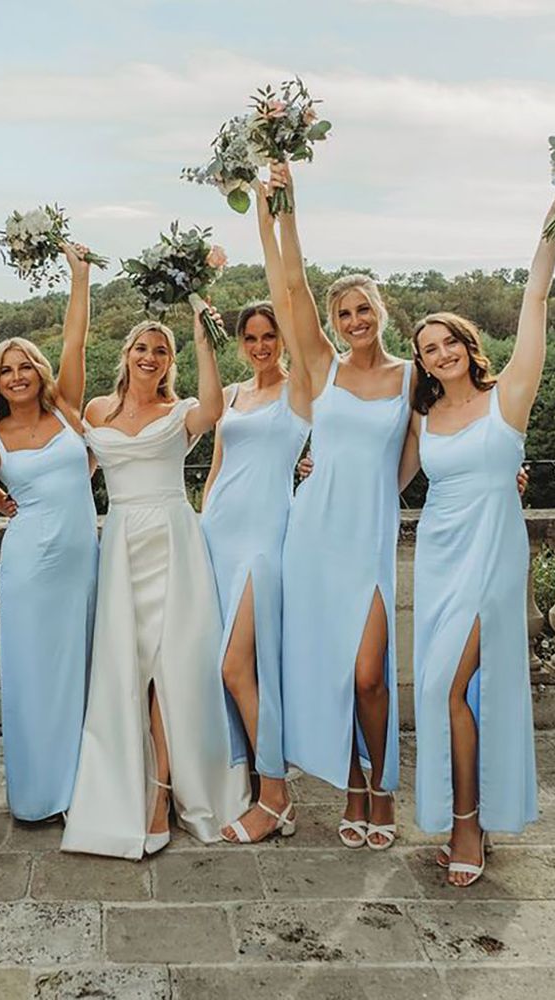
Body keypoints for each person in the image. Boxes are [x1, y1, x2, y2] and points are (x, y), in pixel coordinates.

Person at [409, 184, 555, 886]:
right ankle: (468, 816)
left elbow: (536, 303)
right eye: (427, 349)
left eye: (447, 340)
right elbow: (375, 472)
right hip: (438, 553)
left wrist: (554, 221)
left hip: (491, 552)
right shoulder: (422, 418)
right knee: (445, 690)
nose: (439, 353)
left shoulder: (507, 397)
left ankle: (468, 829)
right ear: (421, 363)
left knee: (446, 690)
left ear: (466, 344)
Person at [61, 309, 250, 859]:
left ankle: (163, 791)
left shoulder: (182, 410)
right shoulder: (98, 410)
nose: (150, 357)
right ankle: (129, 783)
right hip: (121, 541)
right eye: (142, 348)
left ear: (171, 363)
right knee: (129, 667)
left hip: (172, 536)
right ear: (127, 354)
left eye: (162, 351)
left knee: (173, 668)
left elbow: (214, 410)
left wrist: (202, 339)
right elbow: (71, 462)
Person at [276, 161, 409, 851]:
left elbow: (434, 443)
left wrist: (507, 472)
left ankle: (382, 790)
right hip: (315, 532)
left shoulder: (411, 378)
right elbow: (292, 283)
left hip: (369, 536)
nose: (355, 321)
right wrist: (284, 198)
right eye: (344, 314)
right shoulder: (322, 367)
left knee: (368, 677)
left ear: (381, 312)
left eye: (363, 310)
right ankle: (353, 787)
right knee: (332, 670)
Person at [200, 178, 311, 844]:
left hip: (266, 536)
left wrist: (272, 217)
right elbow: (214, 472)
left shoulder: (299, 391)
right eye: (253, 336)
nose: (263, 343)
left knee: (237, 664)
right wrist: (200, 521)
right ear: (242, 343)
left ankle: (276, 796)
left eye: (271, 334)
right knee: (221, 667)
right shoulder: (236, 395)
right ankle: (249, 781)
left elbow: (294, 293)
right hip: (217, 531)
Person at [0, 242, 98, 822]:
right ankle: (37, 795)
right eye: (7, 369)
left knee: (83, 670)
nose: (18, 376)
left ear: (38, 373)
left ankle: (82, 789)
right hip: (28, 566)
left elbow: (76, 340)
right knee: (33, 674)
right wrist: (8, 504)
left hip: (82, 562)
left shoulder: (68, 410)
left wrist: (80, 277)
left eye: (26, 366)